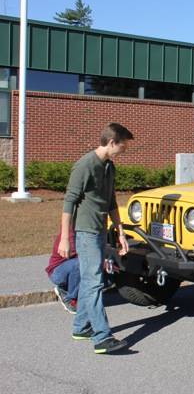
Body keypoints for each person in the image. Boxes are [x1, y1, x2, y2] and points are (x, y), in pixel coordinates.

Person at [60, 123, 132, 354]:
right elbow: (69, 202)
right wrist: (65, 238)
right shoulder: (85, 165)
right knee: (94, 282)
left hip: (100, 229)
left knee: (90, 279)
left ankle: (81, 327)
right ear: (112, 142)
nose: (124, 150)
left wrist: (120, 232)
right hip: (85, 231)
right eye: (123, 146)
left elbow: (110, 201)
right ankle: (102, 337)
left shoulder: (109, 167)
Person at [46, 227, 79, 314]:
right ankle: (70, 298)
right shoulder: (70, 235)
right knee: (79, 264)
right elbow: (82, 254)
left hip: (69, 269)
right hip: (57, 272)